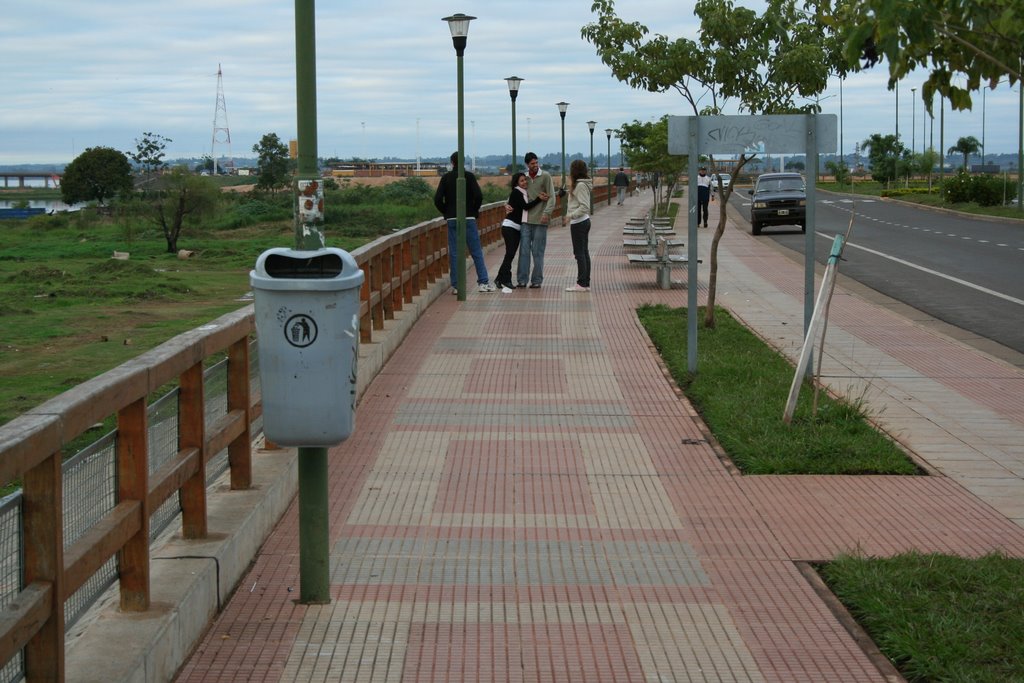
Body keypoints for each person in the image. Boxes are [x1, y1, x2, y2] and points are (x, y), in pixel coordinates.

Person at [433, 151, 495, 293]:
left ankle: (457, 285)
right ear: (463, 162)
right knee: (476, 251)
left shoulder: (446, 178)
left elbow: (437, 200)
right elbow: (478, 195)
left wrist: (447, 212)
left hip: (452, 219)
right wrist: (473, 210)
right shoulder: (469, 176)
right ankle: (483, 283)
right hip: (468, 218)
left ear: (452, 162)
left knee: (455, 252)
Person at [496, 172, 547, 292]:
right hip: (510, 227)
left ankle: (499, 278)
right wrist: (539, 199)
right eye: (521, 181)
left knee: (510, 254)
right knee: (510, 254)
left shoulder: (523, 192)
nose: (524, 182)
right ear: (516, 183)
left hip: (516, 228)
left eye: (525, 180)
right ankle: (505, 279)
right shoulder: (517, 192)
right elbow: (525, 207)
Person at [516, 152, 556, 289]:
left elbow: (552, 196)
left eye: (536, 163)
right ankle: (522, 279)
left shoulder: (545, 176)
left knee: (537, 252)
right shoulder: (525, 178)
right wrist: (507, 204)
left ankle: (537, 280)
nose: (535, 165)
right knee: (524, 251)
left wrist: (547, 213)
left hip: (540, 220)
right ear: (527, 164)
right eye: (532, 163)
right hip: (526, 220)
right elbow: (516, 192)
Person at [565, 159, 593, 292]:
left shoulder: (580, 185)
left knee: (579, 253)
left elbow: (584, 206)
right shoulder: (581, 184)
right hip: (583, 221)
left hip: (579, 222)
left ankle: (581, 283)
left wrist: (570, 215)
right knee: (584, 252)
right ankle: (585, 282)